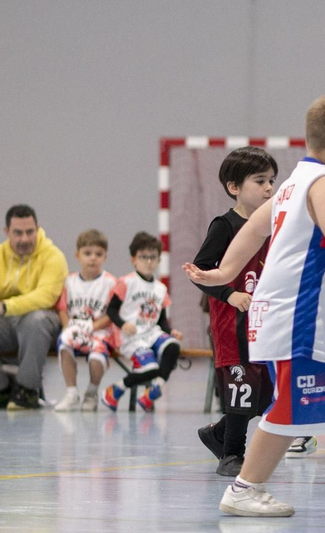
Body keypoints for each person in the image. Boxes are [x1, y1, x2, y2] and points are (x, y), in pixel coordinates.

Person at [186, 93, 325, 517]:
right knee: (292, 408)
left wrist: (224, 271)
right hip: (302, 319)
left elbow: (254, 228)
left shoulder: (294, 183)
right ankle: (244, 489)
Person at [191, 147, 303, 474]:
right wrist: (229, 294)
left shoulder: (276, 225)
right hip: (233, 324)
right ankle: (231, 454)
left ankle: (217, 433)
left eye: (272, 181)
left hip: (269, 322)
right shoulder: (224, 225)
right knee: (242, 389)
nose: (269, 188)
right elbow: (201, 271)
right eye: (260, 181)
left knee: (265, 394)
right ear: (234, 187)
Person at [101, 232, 184, 411]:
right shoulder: (126, 282)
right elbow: (111, 310)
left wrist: (171, 332)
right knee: (150, 368)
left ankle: (154, 390)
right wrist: (123, 324)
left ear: (159, 260)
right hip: (130, 336)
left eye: (153, 257)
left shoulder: (160, 289)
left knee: (173, 346)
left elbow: (161, 320)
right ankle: (116, 388)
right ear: (134, 260)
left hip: (151, 333)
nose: (148, 261)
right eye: (144, 257)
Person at [0, 204, 68, 410]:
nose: (25, 239)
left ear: (38, 229)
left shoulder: (53, 256)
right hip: (6, 322)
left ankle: (27, 390)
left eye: (30, 232)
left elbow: (45, 297)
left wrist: (6, 306)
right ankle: (2, 389)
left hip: (42, 324)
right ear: (6, 232)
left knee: (36, 320)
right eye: (18, 233)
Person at [52, 229, 117, 411]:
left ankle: (92, 392)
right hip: (76, 327)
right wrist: (67, 327)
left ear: (105, 257)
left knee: (96, 356)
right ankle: (71, 392)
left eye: (98, 254)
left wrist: (93, 326)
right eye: (87, 253)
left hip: (100, 330)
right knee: (64, 343)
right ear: (78, 255)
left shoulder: (111, 283)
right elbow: (62, 308)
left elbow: (112, 314)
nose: (93, 258)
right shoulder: (70, 282)